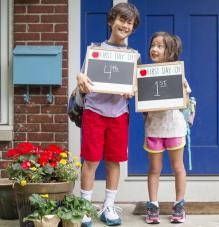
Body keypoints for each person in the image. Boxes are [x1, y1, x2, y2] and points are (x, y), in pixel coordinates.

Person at [76, 3, 140, 226]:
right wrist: (80, 78)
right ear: (111, 21)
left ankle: (108, 206)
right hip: (94, 112)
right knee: (91, 160)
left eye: (129, 22)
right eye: (121, 20)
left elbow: (137, 87)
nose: (125, 25)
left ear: (133, 28)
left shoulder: (134, 56)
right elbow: (84, 82)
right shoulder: (95, 50)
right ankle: (84, 206)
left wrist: (133, 89)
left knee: (114, 160)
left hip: (119, 114)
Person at [144, 32, 191, 224]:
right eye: (153, 45)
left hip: (174, 128)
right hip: (154, 129)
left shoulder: (177, 74)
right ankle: (153, 205)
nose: (154, 49)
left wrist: (178, 93)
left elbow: (185, 101)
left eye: (160, 46)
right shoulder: (144, 75)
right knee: (154, 169)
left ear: (170, 51)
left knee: (177, 167)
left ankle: (179, 205)